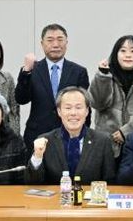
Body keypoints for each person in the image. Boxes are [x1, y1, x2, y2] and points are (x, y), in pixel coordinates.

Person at [15, 23, 89, 152]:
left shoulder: (78, 71)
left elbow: (85, 106)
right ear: (42, 43)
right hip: (36, 134)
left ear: (66, 43)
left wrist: (82, 134)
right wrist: (26, 72)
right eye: (50, 40)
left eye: (60, 39)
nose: (55, 45)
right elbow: (21, 99)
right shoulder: (32, 69)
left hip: (69, 134)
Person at [25, 87, 115, 185]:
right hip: (56, 195)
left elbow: (110, 183)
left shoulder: (102, 141)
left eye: (78, 107)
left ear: (87, 111)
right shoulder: (45, 141)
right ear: (59, 111)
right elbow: (32, 183)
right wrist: (37, 156)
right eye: (68, 108)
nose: (73, 113)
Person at [88, 35, 133, 158]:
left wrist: (126, 132)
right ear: (115, 54)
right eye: (123, 51)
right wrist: (103, 76)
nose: (128, 55)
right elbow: (98, 103)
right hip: (106, 145)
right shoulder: (106, 76)